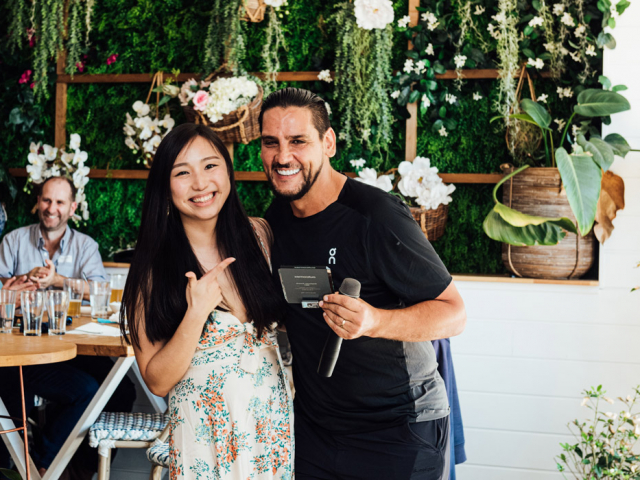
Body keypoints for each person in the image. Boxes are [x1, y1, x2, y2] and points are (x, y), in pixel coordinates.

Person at [260, 87, 467, 480]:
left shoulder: (375, 214)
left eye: (298, 141)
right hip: (316, 432)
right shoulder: (277, 217)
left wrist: (373, 321)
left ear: (328, 142)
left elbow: (454, 314)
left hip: (398, 430)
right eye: (272, 143)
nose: (283, 157)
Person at [122, 123, 293, 480]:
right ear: (165, 187)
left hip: (270, 429)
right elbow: (156, 381)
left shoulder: (260, 237)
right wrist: (195, 314)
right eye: (182, 172)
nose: (200, 183)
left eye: (210, 166)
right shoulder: (151, 269)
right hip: (204, 440)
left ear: (227, 172)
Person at [0, 176, 136, 479]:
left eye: (60, 202)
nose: (52, 208)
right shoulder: (13, 240)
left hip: (72, 343)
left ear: (72, 207)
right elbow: (2, 288)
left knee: (121, 390)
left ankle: (81, 466)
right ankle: (45, 458)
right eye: (47, 200)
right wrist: (23, 281)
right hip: (24, 344)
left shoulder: (85, 245)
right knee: (85, 390)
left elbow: (99, 290)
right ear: (38, 202)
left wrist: (58, 280)